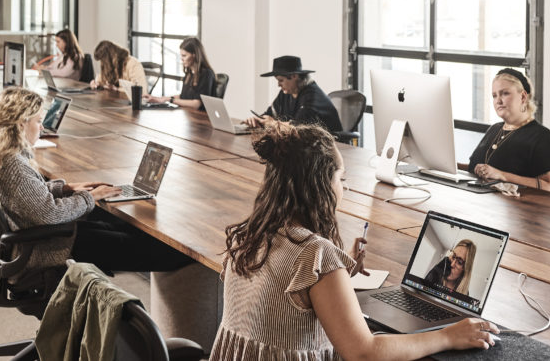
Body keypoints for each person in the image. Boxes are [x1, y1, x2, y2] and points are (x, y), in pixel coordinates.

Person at [210, 121, 496, 360]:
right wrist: (448, 336)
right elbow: (363, 352)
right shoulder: (315, 254)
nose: (344, 187)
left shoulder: (250, 235)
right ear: (321, 185)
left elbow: (284, 300)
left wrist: (338, 275)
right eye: (341, 178)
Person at [0, 87, 196, 276]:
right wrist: (89, 197)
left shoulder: (2, 154)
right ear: (21, 124)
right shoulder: (13, 164)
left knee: (117, 224)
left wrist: (66, 188)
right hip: (46, 247)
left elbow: (24, 195)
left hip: (38, 237)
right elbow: (49, 214)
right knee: (166, 254)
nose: (42, 127)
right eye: (38, 121)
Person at [469, 68, 550, 191]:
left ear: (523, 97)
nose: (498, 100)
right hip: (479, 199)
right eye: (494, 95)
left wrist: (502, 175)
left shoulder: (542, 137)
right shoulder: (494, 129)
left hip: (516, 207)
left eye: (505, 93)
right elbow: (472, 168)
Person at [242, 56, 342, 132]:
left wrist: (272, 123)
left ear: (294, 76)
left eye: (281, 80)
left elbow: (298, 128)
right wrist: (258, 120)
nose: (278, 85)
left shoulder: (313, 97)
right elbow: (270, 115)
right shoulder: (286, 93)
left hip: (328, 150)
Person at [148, 37, 217, 110]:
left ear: (194, 55)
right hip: (188, 114)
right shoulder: (190, 73)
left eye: (184, 55)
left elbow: (196, 104)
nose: (181, 59)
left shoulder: (207, 74)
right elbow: (183, 96)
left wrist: (170, 100)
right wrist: (161, 99)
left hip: (199, 117)